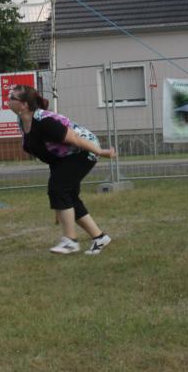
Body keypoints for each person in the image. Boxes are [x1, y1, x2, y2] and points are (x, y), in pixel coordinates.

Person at [7, 84, 115, 255]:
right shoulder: (22, 121)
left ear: (24, 105)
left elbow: (75, 139)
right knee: (67, 195)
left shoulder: (44, 121)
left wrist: (101, 152)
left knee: (59, 189)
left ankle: (70, 241)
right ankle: (99, 237)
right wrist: (60, 206)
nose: (8, 100)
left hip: (83, 151)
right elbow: (50, 154)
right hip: (61, 158)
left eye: (11, 98)